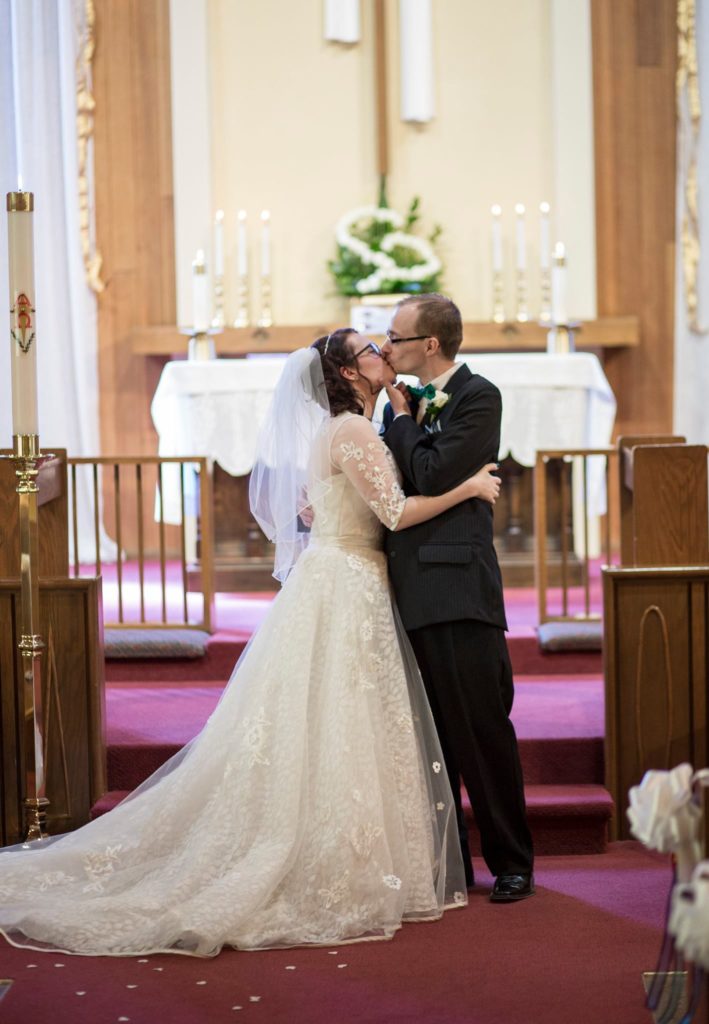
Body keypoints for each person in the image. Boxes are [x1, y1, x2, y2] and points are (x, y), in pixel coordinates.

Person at [0, 329, 501, 958]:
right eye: (370, 350)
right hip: (348, 584)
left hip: (343, 578)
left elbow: (337, 501)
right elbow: (397, 513)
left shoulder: (347, 431)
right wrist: (470, 488)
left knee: (335, 726)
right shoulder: (352, 432)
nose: (383, 353)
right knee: (342, 722)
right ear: (348, 374)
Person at [380, 294, 535, 903]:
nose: (388, 347)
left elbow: (434, 474)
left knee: (480, 729)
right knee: (429, 737)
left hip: (456, 587)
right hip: (402, 587)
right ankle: (448, 862)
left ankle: (511, 860)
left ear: (430, 345)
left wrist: (401, 424)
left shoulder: (477, 396)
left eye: (396, 338)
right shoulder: (391, 407)